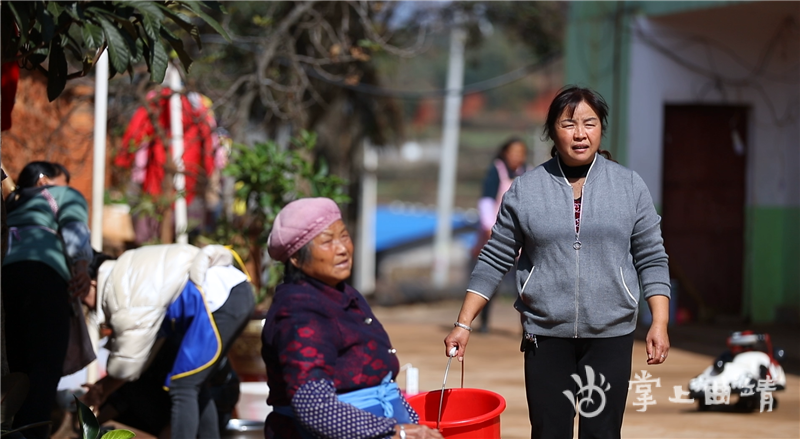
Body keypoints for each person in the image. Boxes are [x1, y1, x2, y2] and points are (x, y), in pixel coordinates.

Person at [444, 86, 671, 439]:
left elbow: (651, 256)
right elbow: (495, 257)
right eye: (568, 124)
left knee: (602, 433)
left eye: (589, 123)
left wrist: (659, 321)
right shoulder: (526, 190)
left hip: (611, 336)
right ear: (552, 131)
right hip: (546, 336)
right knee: (550, 432)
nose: (580, 134)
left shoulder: (629, 186)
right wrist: (464, 323)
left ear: (601, 129)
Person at [261, 197, 443, 439]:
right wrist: (393, 430)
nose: (342, 248)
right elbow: (313, 405)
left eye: (344, 236)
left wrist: (410, 422)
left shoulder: (345, 294)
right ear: (296, 258)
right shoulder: (299, 311)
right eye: (327, 241)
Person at [80, 243, 255, 439]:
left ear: (92, 282)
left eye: (80, 294)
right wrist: (102, 388)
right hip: (232, 292)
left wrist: (101, 391)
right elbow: (143, 354)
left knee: (183, 386)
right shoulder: (125, 271)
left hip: (218, 301)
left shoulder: (119, 291)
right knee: (195, 385)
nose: (83, 304)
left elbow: (128, 363)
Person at [2, 161, 93, 439]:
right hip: (44, 277)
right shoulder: (61, 195)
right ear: (45, 182)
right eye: (63, 182)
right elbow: (74, 224)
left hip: (5, 280)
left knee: (15, 372)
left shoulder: (11, 204)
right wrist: (80, 265)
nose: (68, 188)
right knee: (42, 372)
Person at [473, 136, 530, 333]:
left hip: (522, 236)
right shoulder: (496, 171)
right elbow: (486, 201)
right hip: (495, 234)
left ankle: (527, 326)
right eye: (514, 152)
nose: (517, 157)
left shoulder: (528, 173)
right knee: (490, 278)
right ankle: (484, 323)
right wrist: (489, 227)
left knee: (524, 283)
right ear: (505, 153)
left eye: (520, 153)